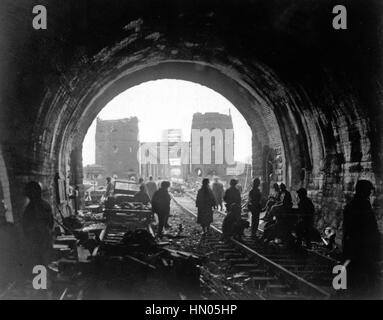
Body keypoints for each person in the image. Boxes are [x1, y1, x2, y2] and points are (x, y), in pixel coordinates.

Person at [342, 180, 381, 298]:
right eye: (368, 191)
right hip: (363, 247)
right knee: (365, 277)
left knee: (354, 277)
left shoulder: (350, 205)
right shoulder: (363, 206)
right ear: (363, 191)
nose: (369, 193)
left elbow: (347, 229)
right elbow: (371, 227)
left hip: (353, 246)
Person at [22, 182, 54, 271]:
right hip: (45, 239)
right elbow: (51, 222)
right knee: (46, 263)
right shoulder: (46, 204)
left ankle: (43, 282)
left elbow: (26, 227)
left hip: (37, 242)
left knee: (40, 264)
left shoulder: (30, 208)